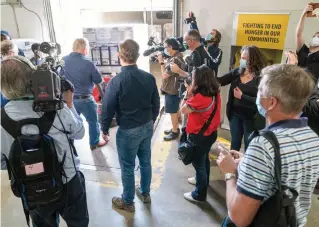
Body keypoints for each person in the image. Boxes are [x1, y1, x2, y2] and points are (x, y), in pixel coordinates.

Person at [217, 64, 319, 227]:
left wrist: (230, 173)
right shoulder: (312, 138)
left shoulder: (264, 146)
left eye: (260, 91)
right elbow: (286, 173)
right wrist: (247, 162)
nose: (257, 95)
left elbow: (239, 217)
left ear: (271, 102)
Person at [0, 56, 89, 226]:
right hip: (68, 182)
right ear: (33, 79)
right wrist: (69, 103)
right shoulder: (58, 109)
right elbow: (80, 133)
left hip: (32, 189)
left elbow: (3, 164)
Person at [101, 39, 160, 213]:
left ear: (120, 56)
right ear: (137, 55)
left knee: (127, 166)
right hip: (147, 125)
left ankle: (128, 202)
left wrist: (104, 129)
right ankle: (145, 193)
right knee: (145, 161)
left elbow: (107, 108)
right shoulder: (149, 78)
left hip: (128, 130)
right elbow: (156, 103)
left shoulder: (116, 81)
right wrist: (151, 120)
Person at [181, 65, 221, 203]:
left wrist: (188, 91)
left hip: (199, 136)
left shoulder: (199, 97)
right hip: (210, 133)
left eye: (193, 78)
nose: (191, 80)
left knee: (199, 165)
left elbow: (183, 110)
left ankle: (199, 194)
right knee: (204, 160)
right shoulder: (215, 92)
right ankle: (203, 182)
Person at [217, 45, 265, 151]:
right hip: (235, 115)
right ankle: (233, 165)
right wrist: (207, 76)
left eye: (244, 58)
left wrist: (242, 96)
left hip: (252, 118)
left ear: (253, 60)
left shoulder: (261, 78)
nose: (241, 60)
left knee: (249, 145)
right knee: (235, 143)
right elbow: (222, 80)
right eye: (241, 57)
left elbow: (262, 101)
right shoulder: (238, 71)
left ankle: (246, 166)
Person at [63, 38, 106, 151]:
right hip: (86, 99)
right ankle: (94, 143)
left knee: (70, 123)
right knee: (93, 122)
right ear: (84, 48)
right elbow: (98, 80)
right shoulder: (88, 63)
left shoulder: (62, 61)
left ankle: (70, 144)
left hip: (68, 100)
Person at [158, 38, 185, 141]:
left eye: (165, 46)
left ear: (170, 47)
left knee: (172, 110)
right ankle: (175, 127)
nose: (164, 49)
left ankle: (175, 131)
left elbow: (164, 75)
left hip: (172, 90)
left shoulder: (175, 59)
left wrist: (161, 63)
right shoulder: (176, 57)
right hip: (174, 88)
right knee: (174, 109)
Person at [296, 3, 319, 83]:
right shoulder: (303, 50)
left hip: (313, 91)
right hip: (298, 86)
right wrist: (303, 14)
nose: (316, 38)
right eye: (315, 36)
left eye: (318, 37)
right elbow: (299, 33)